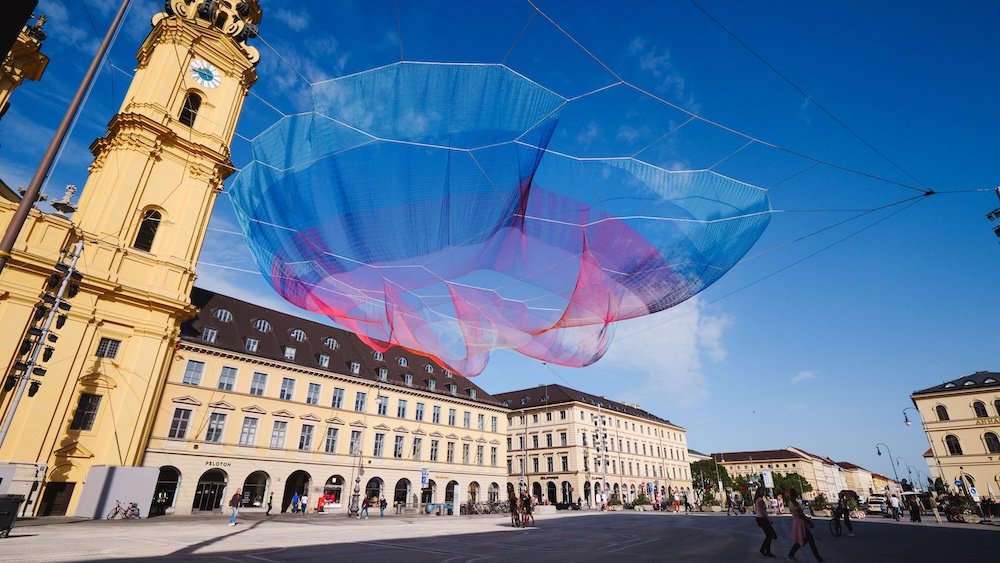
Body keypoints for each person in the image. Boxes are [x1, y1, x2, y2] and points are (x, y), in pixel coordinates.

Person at [787, 489, 823, 562]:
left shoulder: (792, 502)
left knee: (802, 539)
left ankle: (791, 554)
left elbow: (800, 513)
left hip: (799, 522)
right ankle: (819, 559)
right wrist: (809, 521)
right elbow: (800, 514)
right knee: (810, 540)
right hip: (799, 523)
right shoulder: (793, 503)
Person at [753, 486, 777, 558]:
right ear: (758, 492)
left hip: (761, 518)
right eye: (761, 491)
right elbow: (762, 511)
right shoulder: (760, 500)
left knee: (769, 535)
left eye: (763, 491)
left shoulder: (758, 500)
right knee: (771, 535)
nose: (763, 492)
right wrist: (769, 519)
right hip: (762, 519)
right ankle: (762, 550)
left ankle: (768, 551)